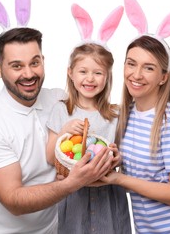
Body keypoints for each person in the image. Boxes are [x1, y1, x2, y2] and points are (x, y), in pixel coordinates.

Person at [0, 27, 114, 234]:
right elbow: (14, 201)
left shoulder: (59, 100)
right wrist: (73, 183)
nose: (28, 74)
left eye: (34, 63)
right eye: (16, 66)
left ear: (43, 61)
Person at [100, 0, 170, 234]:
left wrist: (119, 179)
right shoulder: (127, 115)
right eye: (131, 63)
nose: (136, 74)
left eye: (148, 68)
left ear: (163, 77)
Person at [46, 42, 132, 234]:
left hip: (107, 200)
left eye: (98, 73)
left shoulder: (116, 115)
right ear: (70, 73)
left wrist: (118, 157)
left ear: (107, 76)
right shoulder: (61, 110)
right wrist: (64, 132)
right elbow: (50, 157)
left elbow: (123, 157)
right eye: (83, 71)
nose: (90, 79)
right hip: (73, 201)